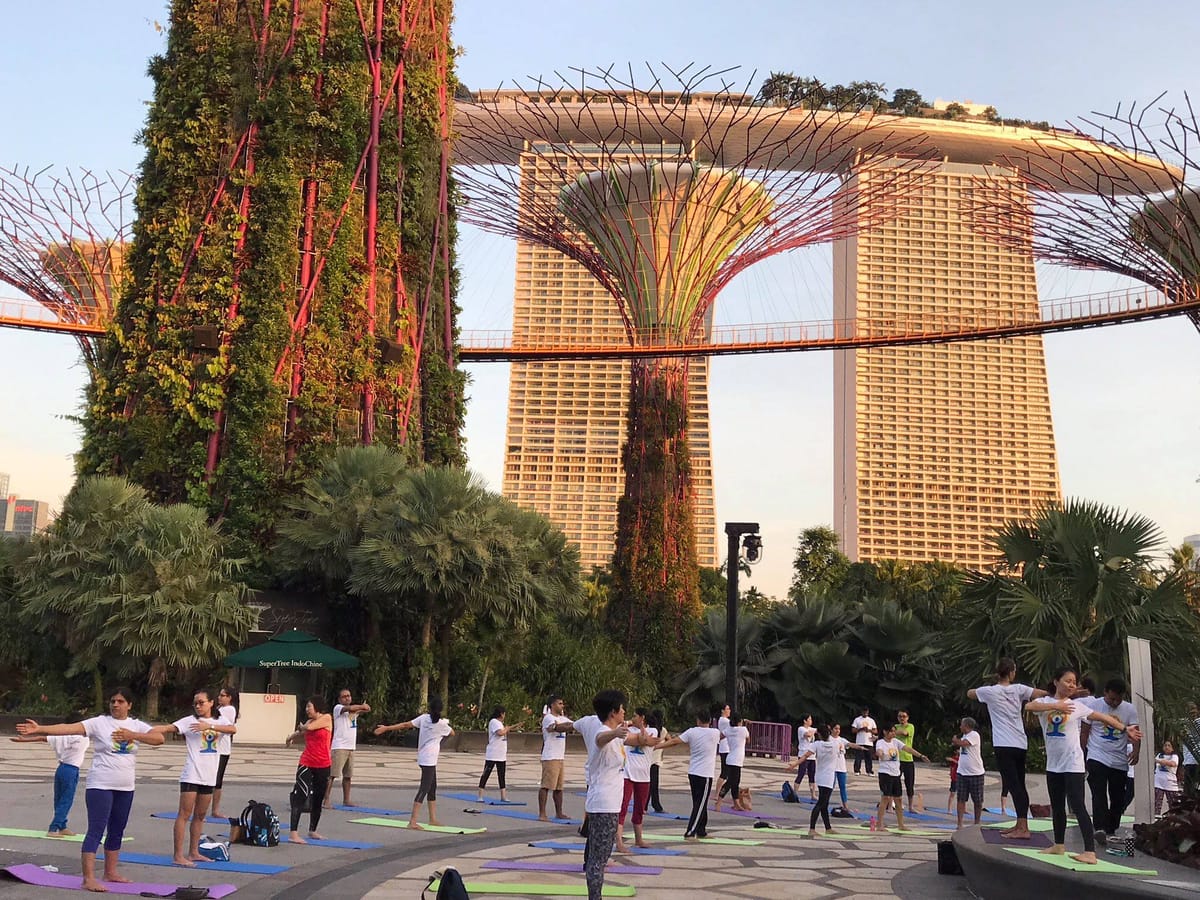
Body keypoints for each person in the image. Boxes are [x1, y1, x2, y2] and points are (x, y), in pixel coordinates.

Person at [16, 687, 164, 892]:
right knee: (96, 830)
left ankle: (110, 872)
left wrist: (133, 734)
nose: (115, 704)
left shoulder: (136, 725)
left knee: (117, 830)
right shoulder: (98, 723)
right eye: (113, 701)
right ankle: (88, 878)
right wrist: (41, 729)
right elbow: (68, 728)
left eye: (121, 701)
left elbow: (159, 739)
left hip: (125, 785)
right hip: (100, 784)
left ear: (129, 705)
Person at [1026, 666, 1141, 865]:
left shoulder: (1077, 706)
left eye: (1074, 682)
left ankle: (1089, 851)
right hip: (1054, 764)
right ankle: (1059, 844)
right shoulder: (1044, 702)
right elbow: (1029, 707)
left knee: (1078, 805)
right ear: (1056, 682)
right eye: (1068, 681)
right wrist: (1057, 707)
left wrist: (1124, 729)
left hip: (1073, 764)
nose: (1072, 685)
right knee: (1057, 806)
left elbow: (1101, 717)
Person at [146, 689, 237, 866]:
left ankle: (194, 851)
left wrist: (209, 726)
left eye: (201, 702)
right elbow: (168, 728)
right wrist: (146, 731)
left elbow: (232, 729)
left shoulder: (219, 720)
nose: (198, 706)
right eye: (195, 703)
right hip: (192, 774)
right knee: (184, 814)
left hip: (209, 775)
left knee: (200, 815)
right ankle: (178, 855)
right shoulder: (189, 721)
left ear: (211, 703)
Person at [967, 657, 1049, 840]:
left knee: (1014, 786)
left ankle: (1023, 827)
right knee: (1019, 784)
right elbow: (1041, 693)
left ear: (998, 672)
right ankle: (1021, 824)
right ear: (1012, 672)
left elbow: (969, 693)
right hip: (1020, 743)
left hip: (1004, 744)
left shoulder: (989, 691)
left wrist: (986, 689)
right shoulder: (1019, 689)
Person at [572, 690, 628, 900]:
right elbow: (600, 739)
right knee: (597, 860)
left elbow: (624, 739)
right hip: (603, 805)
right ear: (613, 712)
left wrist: (641, 738)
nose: (624, 712)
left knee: (600, 858)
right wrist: (615, 733)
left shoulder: (616, 735)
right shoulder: (603, 731)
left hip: (610, 804)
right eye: (622, 709)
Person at [375, 698, 455, 829]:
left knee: (432, 788)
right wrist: (440, 737)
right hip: (429, 760)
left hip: (426, 758)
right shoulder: (442, 724)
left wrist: (386, 728)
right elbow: (452, 733)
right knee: (424, 788)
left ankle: (432, 819)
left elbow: (405, 725)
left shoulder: (424, 718)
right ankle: (412, 821)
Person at [1080, 677, 1140, 842]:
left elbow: (1135, 733)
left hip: (1118, 759)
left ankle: (1111, 827)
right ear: (1105, 693)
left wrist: (1136, 751)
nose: (1114, 703)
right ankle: (1099, 827)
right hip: (1097, 754)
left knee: (1118, 796)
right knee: (1098, 792)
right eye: (1112, 699)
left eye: (1118, 700)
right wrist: (1082, 753)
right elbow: (1085, 732)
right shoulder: (1094, 706)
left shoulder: (1129, 709)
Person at [10, 712, 87, 837]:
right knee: (66, 800)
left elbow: (42, 738)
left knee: (59, 799)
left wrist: (24, 740)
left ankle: (62, 826)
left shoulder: (61, 736)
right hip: (71, 770)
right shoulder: (83, 737)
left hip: (61, 769)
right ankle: (53, 828)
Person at [657, 708, 721, 840]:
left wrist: (657, 746)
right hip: (705, 774)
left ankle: (701, 830)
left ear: (698, 720)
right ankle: (690, 831)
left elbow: (674, 741)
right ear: (709, 720)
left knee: (699, 802)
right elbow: (725, 735)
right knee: (700, 804)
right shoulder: (715, 733)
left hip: (693, 772)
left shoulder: (691, 732)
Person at [285, 695, 333, 843]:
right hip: (306, 762)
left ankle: (313, 830)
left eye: (309, 707)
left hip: (323, 764)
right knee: (301, 795)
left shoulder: (326, 718)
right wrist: (290, 738)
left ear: (317, 707)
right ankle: (294, 833)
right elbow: (302, 733)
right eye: (306, 707)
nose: (307, 710)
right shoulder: (309, 722)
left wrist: (303, 727)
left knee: (318, 798)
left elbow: (309, 728)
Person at [785, 724, 839, 837]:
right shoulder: (835, 744)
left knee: (824, 803)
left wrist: (794, 764)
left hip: (820, 776)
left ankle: (828, 828)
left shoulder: (817, 744)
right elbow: (846, 745)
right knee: (821, 803)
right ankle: (812, 828)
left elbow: (805, 756)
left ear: (819, 734)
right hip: (829, 777)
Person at [875, 723, 929, 831]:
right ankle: (879, 824)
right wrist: (881, 755)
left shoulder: (896, 742)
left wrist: (920, 755)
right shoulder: (880, 742)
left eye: (894, 731)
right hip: (885, 773)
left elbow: (908, 749)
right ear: (885, 732)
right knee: (885, 798)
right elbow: (879, 752)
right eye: (891, 731)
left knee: (898, 799)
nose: (894, 733)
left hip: (896, 774)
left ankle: (901, 824)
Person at [616, 708, 656, 851]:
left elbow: (646, 740)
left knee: (640, 808)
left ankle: (639, 839)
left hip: (644, 776)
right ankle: (619, 841)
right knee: (623, 807)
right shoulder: (626, 729)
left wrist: (640, 729)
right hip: (627, 773)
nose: (632, 718)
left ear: (642, 717)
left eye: (635, 716)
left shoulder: (653, 730)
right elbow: (628, 740)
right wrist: (631, 728)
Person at [324, 688, 370, 809]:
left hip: (350, 746)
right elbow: (349, 708)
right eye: (344, 696)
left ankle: (346, 799)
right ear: (339, 699)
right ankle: (326, 800)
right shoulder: (338, 708)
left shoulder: (354, 710)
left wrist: (364, 707)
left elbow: (366, 709)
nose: (347, 698)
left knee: (348, 776)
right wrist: (362, 706)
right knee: (332, 775)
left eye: (349, 696)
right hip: (339, 746)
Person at [538, 695, 574, 822]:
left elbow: (571, 725)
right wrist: (569, 726)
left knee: (559, 788)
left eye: (562, 703)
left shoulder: (563, 718)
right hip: (550, 756)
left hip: (560, 757)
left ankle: (559, 812)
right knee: (546, 786)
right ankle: (542, 813)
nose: (562, 705)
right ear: (552, 705)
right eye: (559, 703)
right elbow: (556, 727)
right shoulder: (548, 718)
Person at [477, 705, 520, 803]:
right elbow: (500, 733)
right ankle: (480, 795)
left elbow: (504, 731)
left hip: (501, 754)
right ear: (501, 714)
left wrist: (511, 727)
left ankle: (503, 796)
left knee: (501, 776)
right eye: (504, 713)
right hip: (492, 753)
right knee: (486, 774)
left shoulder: (500, 723)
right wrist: (508, 728)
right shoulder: (494, 722)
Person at [951, 717, 986, 828]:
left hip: (975, 773)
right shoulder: (964, 736)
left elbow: (965, 744)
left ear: (966, 726)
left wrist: (956, 741)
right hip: (962, 772)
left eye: (961, 724)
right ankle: (959, 823)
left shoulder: (974, 735)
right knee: (961, 798)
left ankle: (977, 822)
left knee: (977, 800)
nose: (960, 727)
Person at [209, 687, 238, 819]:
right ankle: (209, 809)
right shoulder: (219, 709)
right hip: (213, 748)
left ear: (229, 697)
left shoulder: (229, 710)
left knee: (217, 780)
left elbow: (223, 726)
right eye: (219, 695)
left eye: (223, 695)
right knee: (209, 779)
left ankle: (215, 810)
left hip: (222, 750)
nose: (220, 698)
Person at [715, 712, 750, 812]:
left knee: (735, 783)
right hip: (737, 759)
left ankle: (736, 804)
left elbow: (720, 737)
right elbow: (748, 740)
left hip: (730, 758)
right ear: (740, 721)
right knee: (730, 782)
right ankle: (719, 801)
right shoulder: (743, 730)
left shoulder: (728, 729)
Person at [894, 710, 918, 812]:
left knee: (909, 783)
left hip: (908, 759)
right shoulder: (895, 726)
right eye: (900, 716)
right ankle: (893, 804)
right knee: (894, 781)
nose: (902, 718)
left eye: (904, 716)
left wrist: (893, 732)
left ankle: (910, 806)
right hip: (897, 759)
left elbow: (905, 733)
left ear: (907, 717)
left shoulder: (910, 726)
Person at [648, 709, 669, 813]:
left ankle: (644, 805)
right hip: (655, 761)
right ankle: (656, 806)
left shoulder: (648, 730)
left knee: (647, 783)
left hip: (647, 760)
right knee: (654, 785)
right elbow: (669, 740)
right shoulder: (662, 730)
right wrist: (661, 745)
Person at [1154, 740, 1181, 817]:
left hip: (1170, 783)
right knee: (1156, 803)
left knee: (1173, 804)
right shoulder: (1159, 755)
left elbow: (1173, 764)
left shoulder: (1174, 756)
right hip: (1158, 782)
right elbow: (1155, 761)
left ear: (1172, 748)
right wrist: (1160, 761)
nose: (1167, 747)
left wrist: (1162, 762)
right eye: (1165, 745)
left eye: (1169, 746)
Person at [794, 715, 817, 800]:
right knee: (801, 773)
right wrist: (814, 731)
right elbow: (808, 734)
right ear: (805, 720)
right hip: (803, 754)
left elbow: (819, 731)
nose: (811, 720)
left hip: (812, 756)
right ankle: (795, 793)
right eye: (809, 719)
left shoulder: (812, 728)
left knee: (812, 775)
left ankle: (813, 795)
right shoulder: (801, 729)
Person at [830, 722, 851, 811]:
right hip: (832, 767)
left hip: (841, 767)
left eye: (839, 729)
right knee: (830, 786)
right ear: (831, 729)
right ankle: (823, 802)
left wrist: (860, 747)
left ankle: (845, 806)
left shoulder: (842, 740)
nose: (838, 731)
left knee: (843, 786)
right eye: (835, 728)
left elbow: (850, 744)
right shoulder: (828, 739)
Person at [851, 707, 877, 775]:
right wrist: (861, 729)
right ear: (861, 711)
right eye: (864, 711)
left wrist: (869, 730)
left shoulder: (871, 720)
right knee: (858, 757)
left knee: (869, 758)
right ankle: (857, 770)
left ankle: (869, 771)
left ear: (868, 712)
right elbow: (853, 730)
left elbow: (875, 731)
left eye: (866, 711)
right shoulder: (857, 719)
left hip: (869, 742)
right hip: (860, 741)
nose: (865, 713)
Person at [714, 703, 731, 799]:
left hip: (726, 748)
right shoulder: (724, 720)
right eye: (727, 709)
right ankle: (717, 794)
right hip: (725, 748)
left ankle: (720, 793)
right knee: (724, 773)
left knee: (727, 773)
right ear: (722, 710)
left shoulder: (724, 720)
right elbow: (734, 723)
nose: (729, 711)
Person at [945, 747, 960, 813]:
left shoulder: (962, 758)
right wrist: (951, 773)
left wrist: (954, 761)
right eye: (958, 749)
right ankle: (949, 809)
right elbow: (951, 766)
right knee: (952, 793)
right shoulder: (954, 758)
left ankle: (963, 809)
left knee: (962, 795)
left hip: (961, 778)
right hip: (955, 778)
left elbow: (959, 763)